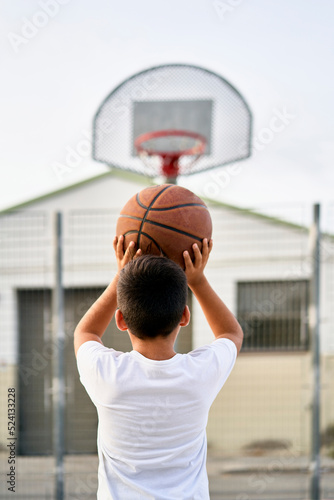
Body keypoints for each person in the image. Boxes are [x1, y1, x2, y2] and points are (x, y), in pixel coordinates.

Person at [74, 235, 243, 500]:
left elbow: (85, 332)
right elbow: (231, 333)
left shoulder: (105, 373)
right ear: (185, 316)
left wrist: (121, 275)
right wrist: (197, 280)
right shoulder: (199, 374)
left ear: (120, 319)